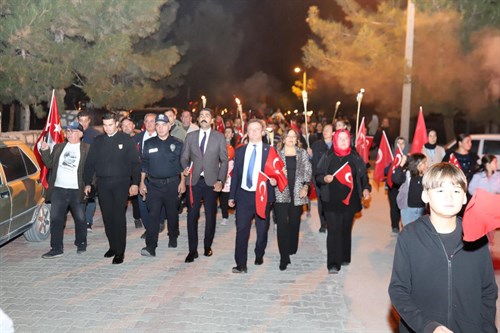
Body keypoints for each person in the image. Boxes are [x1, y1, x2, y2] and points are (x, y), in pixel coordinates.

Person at [389, 162, 497, 333]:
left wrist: (485, 327)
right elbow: (398, 291)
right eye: (440, 190)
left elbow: (488, 290)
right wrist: (427, 326)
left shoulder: (477, 237)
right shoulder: (409, 237)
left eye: (455, 191)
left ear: (464, 197)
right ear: (425, 196)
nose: (449, 197)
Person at [83, 112, 141, 264]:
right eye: (105, 125)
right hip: (103, 184)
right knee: (107, 217)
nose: (107, 128)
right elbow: (89, 164)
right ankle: (113, 246)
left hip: (121, 183)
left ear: (116, 124)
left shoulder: (126, 140)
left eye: (110, 125)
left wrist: (135, 183)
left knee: (118, 217)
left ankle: (120, 252)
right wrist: (87, 182)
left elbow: (135, 163)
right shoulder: (98, 141)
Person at [315, 129, 371, 274]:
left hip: (350, 201)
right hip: (331, 200)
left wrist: (366, 188)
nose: (343, 141)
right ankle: (333, 263)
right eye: (340, 138)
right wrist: (324, 178)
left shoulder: (354, 156)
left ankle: (345, 256)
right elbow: (318, 175)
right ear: (335, 140)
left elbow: (363, 175)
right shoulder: (328, 156)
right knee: (333, 230)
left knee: (346, 229)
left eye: (346, 138)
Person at [229, 119, 277, 273]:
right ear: (246, 132)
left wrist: (275, 181)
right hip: (244, 196)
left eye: (257, 129)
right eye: (251, 129)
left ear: (263, 132)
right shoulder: (240, 151)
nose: (254, 132)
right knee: (241, 230)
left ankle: (259, 253)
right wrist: (232, 196)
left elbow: (276, 172)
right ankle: (241, 264)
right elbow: (235, 174)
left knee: (262, 229)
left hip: (262, 195)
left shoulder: (269, 151)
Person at [181, 108, 228, 263]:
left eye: (207, 116)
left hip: (211, 183)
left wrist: (220, 180)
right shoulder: (190, 137)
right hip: (193, 182)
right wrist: (185, 167)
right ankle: (192, 250)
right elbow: (184, 157)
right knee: (192, 216)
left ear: (212, 120)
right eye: (201, 115)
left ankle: (207, 246)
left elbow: (224, 160)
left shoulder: (219, 137)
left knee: (210, 216)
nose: (204, 118)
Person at [40, 123, 89, 258]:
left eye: (73, 131)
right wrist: (45, 150)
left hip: (77, 190)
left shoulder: (87, 149)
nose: (69, 133)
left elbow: (92, 170)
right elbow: (49, 164)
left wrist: (90, 185)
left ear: (80, 134)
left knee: (80, 218)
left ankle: (81, 242)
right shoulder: (58, 147)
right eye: (67, 131)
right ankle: (56, 248)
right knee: (55, 218)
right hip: (59, 189)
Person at [139, 114, 185, 256]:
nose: (160, 128)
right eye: (158, 125)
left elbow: (182, 165)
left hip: (172, 184)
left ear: (169, 126)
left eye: (163, 125)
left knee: (172, 214)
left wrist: (183, 181)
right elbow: (144, 165)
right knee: (153, 215)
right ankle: (151, 246)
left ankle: (173, 235)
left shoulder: (177, 143)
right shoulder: (149, 143)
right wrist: (141, 182)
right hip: (153, 185)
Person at [274, 128, 312, 271]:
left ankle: (291, 247)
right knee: (282, 224)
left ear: (297, 139)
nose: (291, 138)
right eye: (288, 136)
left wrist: (305, 187)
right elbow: (270, 171)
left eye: (293, 136)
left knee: (294, 223)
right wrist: (276, 175)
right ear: (283, 139)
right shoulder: (277, 154)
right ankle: (284, 257)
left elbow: (308, 171)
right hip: (281, 193)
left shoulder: (302, 153)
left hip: (298, 193)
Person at [133, 113, 157, 238]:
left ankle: (156, 224)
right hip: (141, 177)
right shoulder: (137, 138)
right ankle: (149, 228)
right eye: (146, 121)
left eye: (152, 121)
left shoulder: (162, 136)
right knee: (142, 204)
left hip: (157, 178)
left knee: (156, 204)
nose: (149, 124)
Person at [468, 154, 500, 246]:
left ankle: (489, 245)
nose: (496, 164)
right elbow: (471, 189)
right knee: (480, 229)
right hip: (480, 207)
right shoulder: (478, 176)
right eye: (494, 162)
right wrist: (480, 194)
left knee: (490, 229)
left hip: (492, 207)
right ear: (488, 164)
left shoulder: (498, 176)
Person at [77, 111, 100, 232]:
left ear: (89, 121)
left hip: (92, 170)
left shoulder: (95, 135)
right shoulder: (74, 133)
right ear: (78, 121)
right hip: (78, 171)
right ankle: (80, 221)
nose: (84, 123)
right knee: (79, 196)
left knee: (90, 196)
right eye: (81, 121)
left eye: (86, 121)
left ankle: (88, 222)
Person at [310, 123, 334, 233]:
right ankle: (323, 223)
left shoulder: (336, 146)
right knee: (322, 200)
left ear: (333, 133)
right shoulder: (316, 145)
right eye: (324, 129)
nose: (325, 131)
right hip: (319, 178)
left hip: (333, 178)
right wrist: (309, 155)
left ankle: (331, 222)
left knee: (332, 201)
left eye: (328, 130)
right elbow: (312, 162)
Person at [393, 153, 428, 227]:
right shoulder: (407, 175)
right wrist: (401, 164)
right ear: (417, 164)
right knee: (408, 231)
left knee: (419, 232)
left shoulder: (426, 176)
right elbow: (395, 179)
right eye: (424, 162)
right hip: (408, 209)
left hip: (421, 210)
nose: (427, 164)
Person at [121, 117, 142, 229]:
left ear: (133, 126)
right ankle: (120, 219)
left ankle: (137, 217)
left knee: (136, 197)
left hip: (137, 171)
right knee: (122, 197)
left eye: (128, 124)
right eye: (123, 125)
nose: (126, 127)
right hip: (123, 173)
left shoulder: (140, 137)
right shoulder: (119, 139)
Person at [385, 136, 408, 234]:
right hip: (393, 186)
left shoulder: (409, 157)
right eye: (398, 143)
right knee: (394, 206)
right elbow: (385, 171)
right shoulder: (391, 156)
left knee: (403, 207)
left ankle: (405, 225)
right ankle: (395, 226)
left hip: (404, 186)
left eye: (403, 143)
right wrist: (392, 165)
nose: (401, 145)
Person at [220, 127, 236, 225]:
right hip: (222, 172)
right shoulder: (220, 145)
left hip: (232, 173)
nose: (227, 134)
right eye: (226, 132)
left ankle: (234, 211)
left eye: (229, 132)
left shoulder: (237, 146)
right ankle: (224, 216)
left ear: (232, 134)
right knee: (223, 196)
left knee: (233, 194)